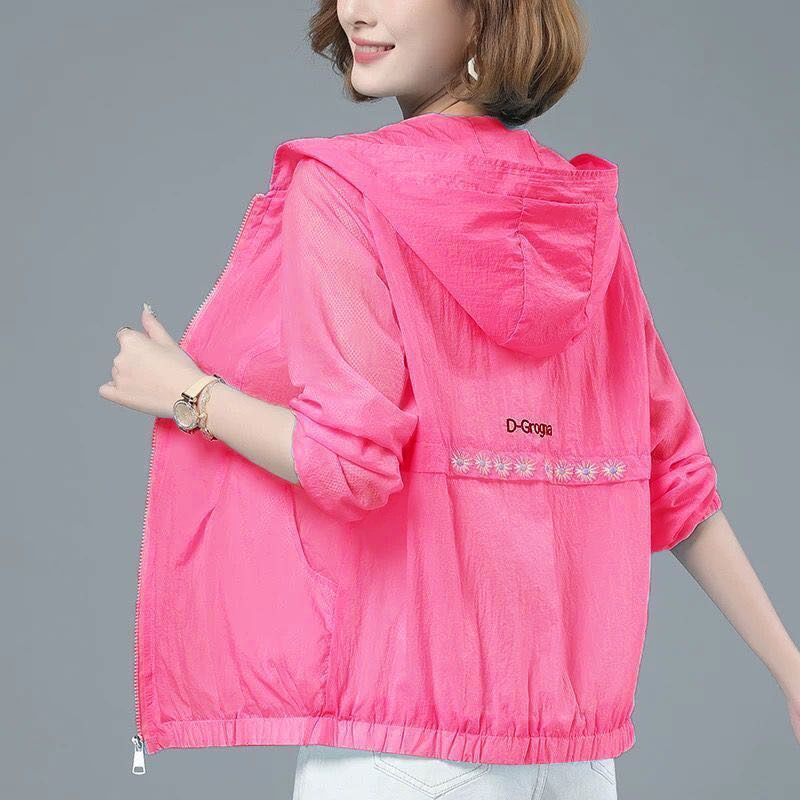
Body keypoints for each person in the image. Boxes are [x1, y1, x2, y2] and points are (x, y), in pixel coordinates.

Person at [99, 1, 800, 797]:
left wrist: (190, 394)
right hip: (573, 762)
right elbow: (674, 478)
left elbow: (349, 462)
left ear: (482, 16)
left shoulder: (346, 188)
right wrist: (790, 668)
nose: (357, 11)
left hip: (403, 746)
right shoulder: (577, 217)